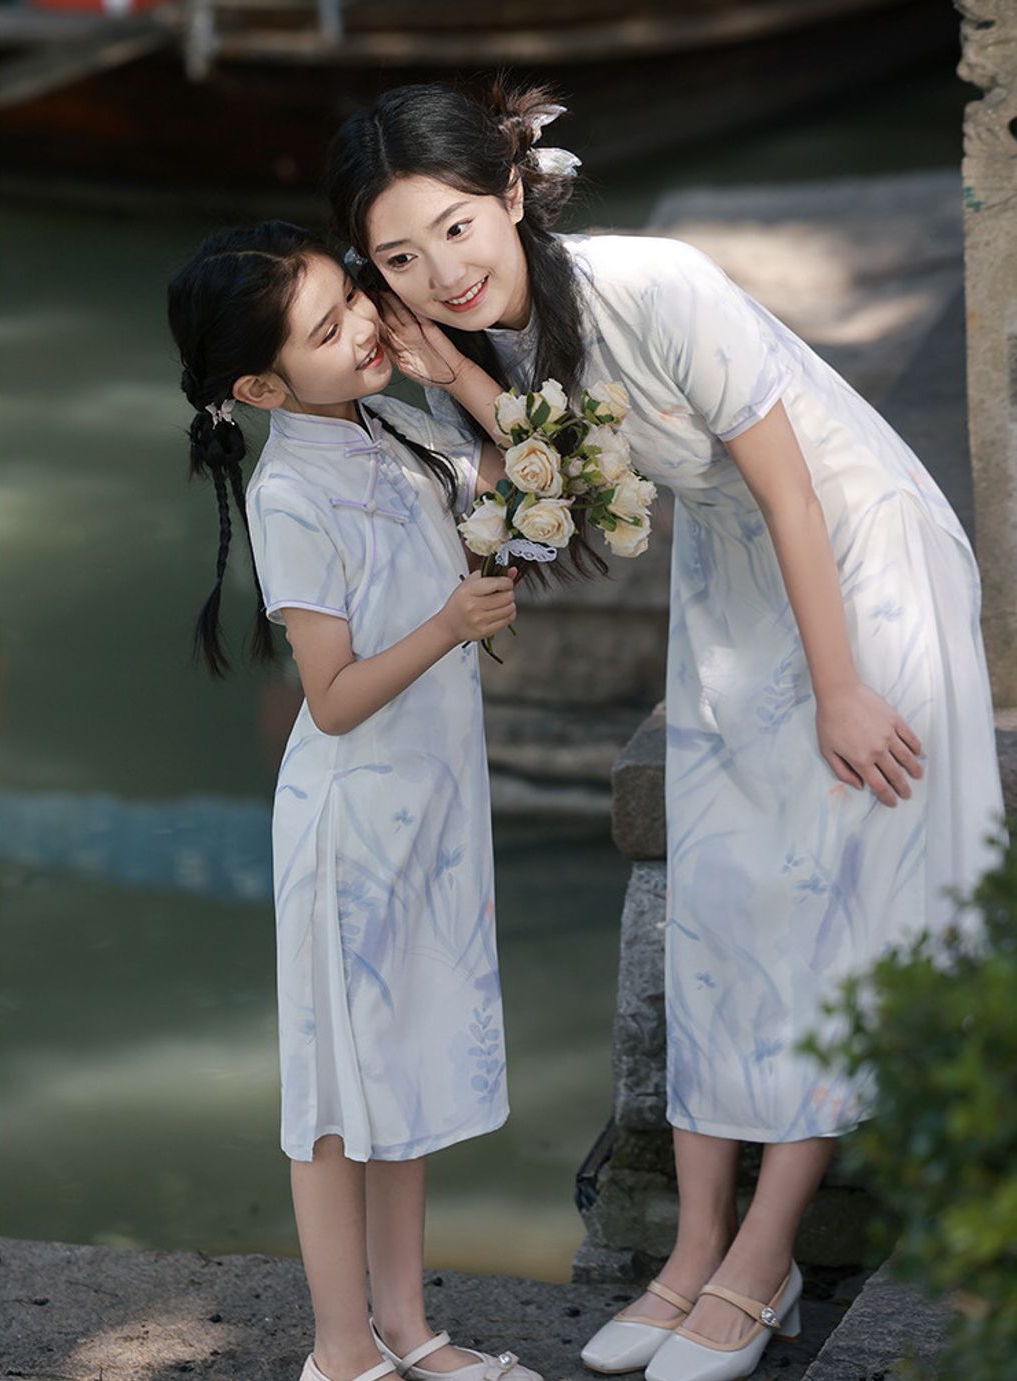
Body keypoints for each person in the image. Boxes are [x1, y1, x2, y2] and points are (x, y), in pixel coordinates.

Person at [325, 84, 1006, 1381]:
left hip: (855, 565)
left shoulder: (658, 284)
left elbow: (793, 488)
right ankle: (692, 1254)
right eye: (401, 258)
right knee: (717, 903)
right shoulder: (491, 337)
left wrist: (844, 687)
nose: (443, 272)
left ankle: (763, 1259)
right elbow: (577, 475)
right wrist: (454, 375)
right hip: (734, 587)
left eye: (457, 229)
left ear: (510, 193)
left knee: (823, 901)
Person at [167, 220, 538, 1381]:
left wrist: (450, 371)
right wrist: (448, 624)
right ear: (261, 387)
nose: (365, 326)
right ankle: (340, 1348)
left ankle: (409, 1326)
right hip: (352, 826)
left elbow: (528, 469)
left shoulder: (392, 423)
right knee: (336, 1098)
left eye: (354, 299)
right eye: (327, 329)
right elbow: (328, 699)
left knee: (405, 1066)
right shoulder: (290, 493)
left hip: (431, 804)